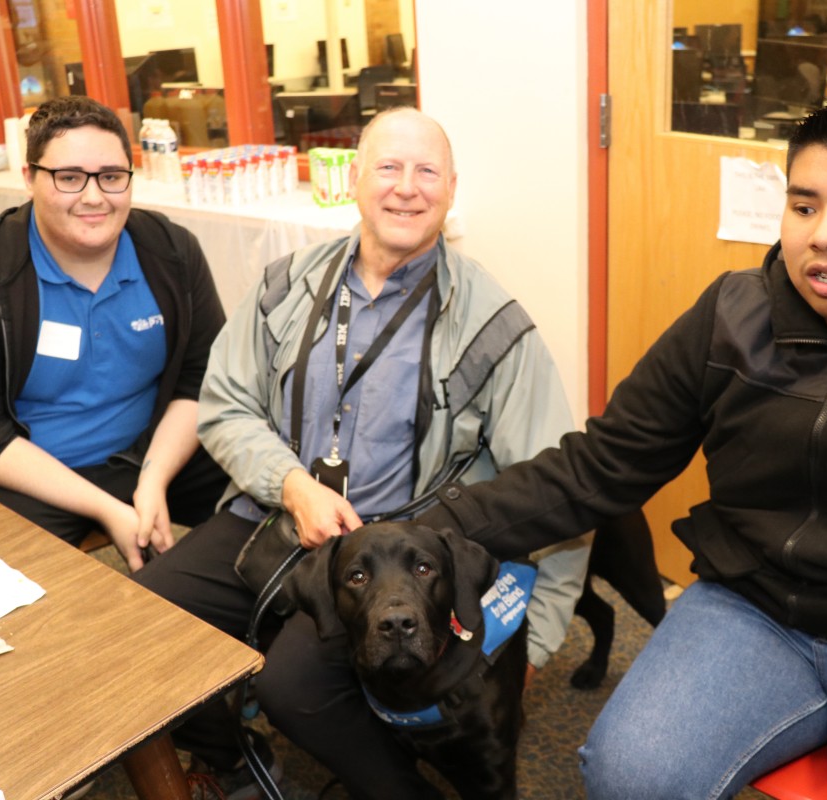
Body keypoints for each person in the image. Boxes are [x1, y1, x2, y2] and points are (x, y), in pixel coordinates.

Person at [417, 92, 827, 800]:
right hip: (755, 610)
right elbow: (600, 467)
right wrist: (425, 529)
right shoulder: (732, 316)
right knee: (630, 776)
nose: (825, 234)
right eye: (803, 206)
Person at [133, 107, 590, 796]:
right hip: (278, 512)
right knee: (141, 621)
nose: (407, 187)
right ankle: (231, 759)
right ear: (355, 180)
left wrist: (536, 642)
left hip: (396, 551)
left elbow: (560, 487)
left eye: (426, 171)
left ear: (451, 189)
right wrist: (291, 485)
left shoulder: (497, 327)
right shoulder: (283, 287)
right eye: (388, 167)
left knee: (294, 686)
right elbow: (225, 406)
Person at [0, 96, 229, 572]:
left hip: (152, 455)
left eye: (111, 176)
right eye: (68, 177)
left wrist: (153, 479)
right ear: (29, 178)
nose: (93, 197)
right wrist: (105, 507)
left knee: (272, 503)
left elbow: (201, 378)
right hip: (30, 476)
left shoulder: (171, 253)